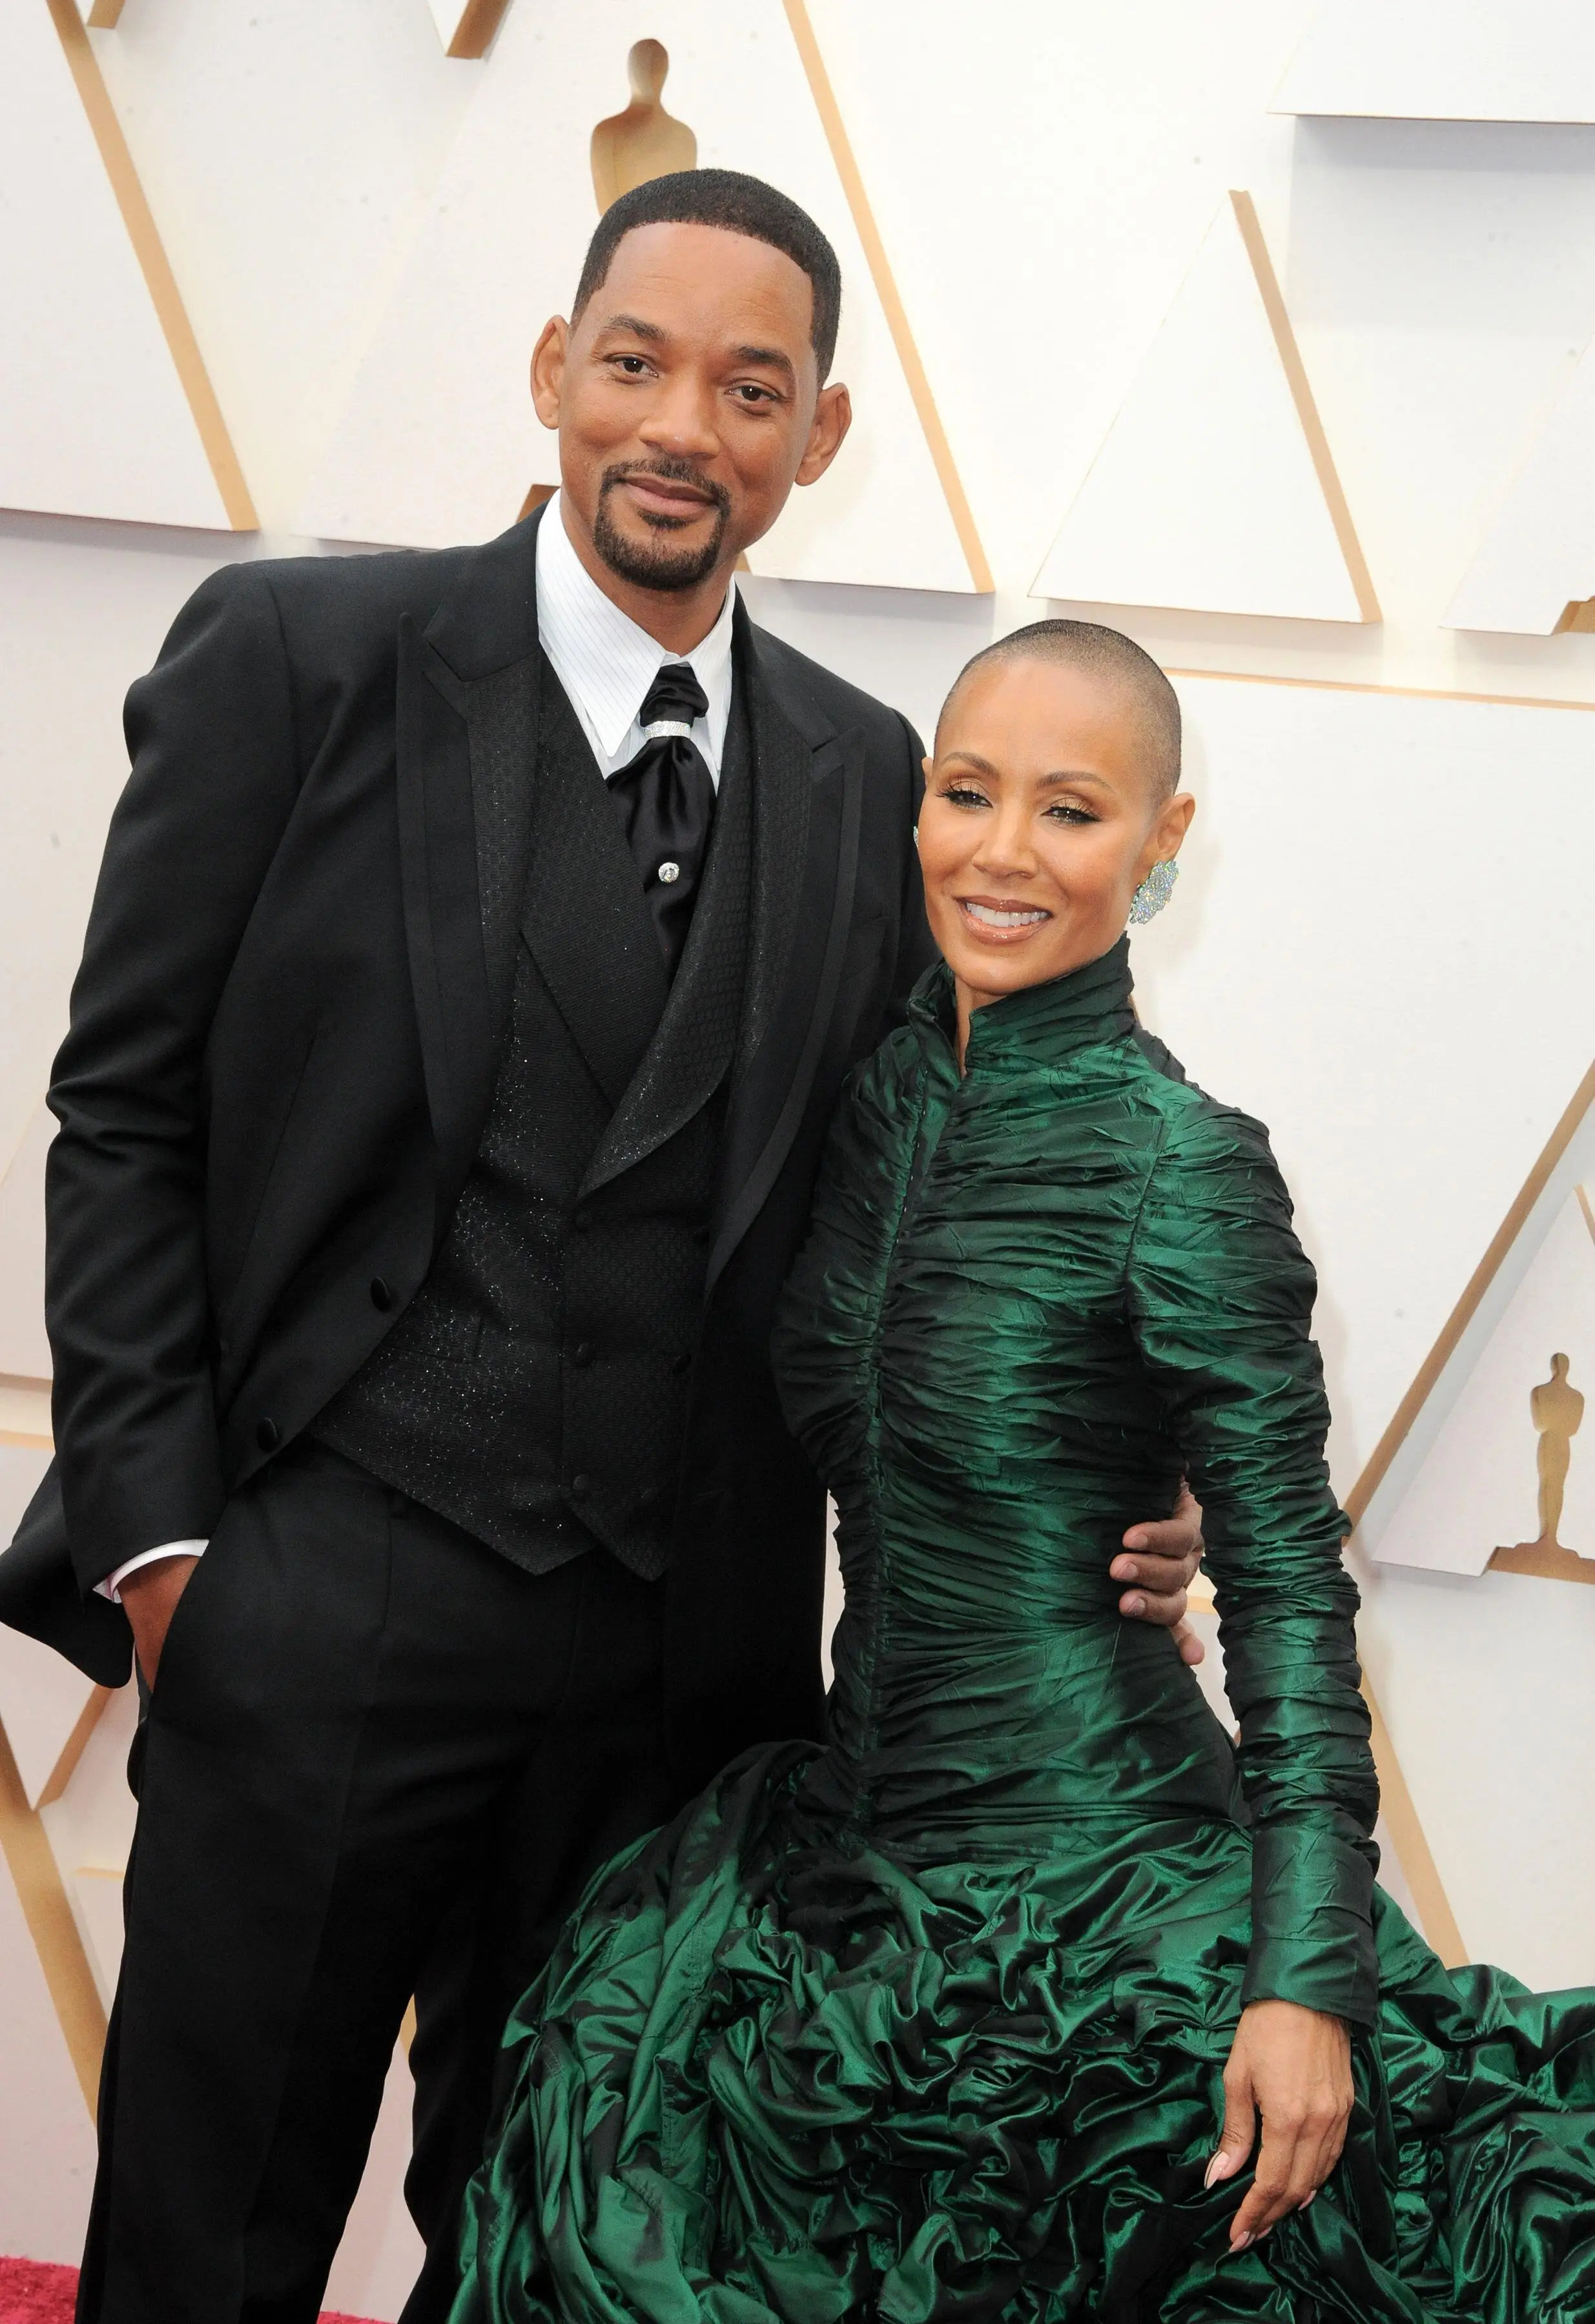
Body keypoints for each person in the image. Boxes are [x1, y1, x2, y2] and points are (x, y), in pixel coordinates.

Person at [0, 176, 1202, 2324]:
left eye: (751, 388)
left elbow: (939, 1168)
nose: (682, 426)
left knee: (580, 2246)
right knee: (208, 2231)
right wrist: (170, 1552)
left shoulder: (862, 775)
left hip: (678, 1668)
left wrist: (1131, 1450)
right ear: (553, 371)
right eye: (636, 361)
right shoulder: (299, 664)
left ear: (816, 438)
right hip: (313, 1593)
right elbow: (125, 1107)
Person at [451, 622, 1595, 2324]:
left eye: (1069, 811)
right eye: (965, 793)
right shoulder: (861, 1103)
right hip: (839, 1859)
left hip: (1109, 1879)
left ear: (1161, 843)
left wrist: (1303, 1977)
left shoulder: (1184, 1168)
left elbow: (1286, 1599)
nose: (1001, 851)